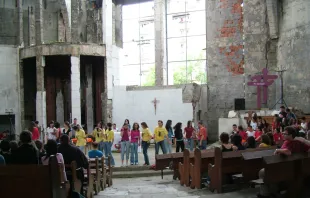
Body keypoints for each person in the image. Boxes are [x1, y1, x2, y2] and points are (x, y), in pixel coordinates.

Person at [257, 126, 310, 198]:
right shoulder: (299, 142)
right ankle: (272, 191)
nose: (283, 135)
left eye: (285, 134)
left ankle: (266, 193)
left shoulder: (288, 142)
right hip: (297, 168)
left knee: (263, 172)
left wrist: (278, 150)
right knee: (268, 172)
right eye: (283, 133)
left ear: (291, 135)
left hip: (285, 169)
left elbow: (288, 152)